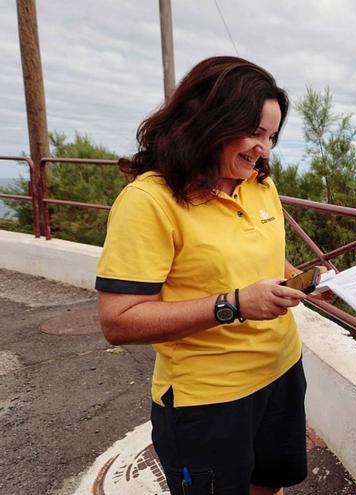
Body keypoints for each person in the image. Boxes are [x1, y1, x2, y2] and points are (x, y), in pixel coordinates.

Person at [96, 56, 310, 495]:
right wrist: (232, 304)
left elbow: (266, 261)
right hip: (210, 398)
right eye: (254, 134)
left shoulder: (259, 183)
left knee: (271, 483)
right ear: (207, 121)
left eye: (271, 136)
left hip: (282, 370)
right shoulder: (149, 201)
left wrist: (307, 278)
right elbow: (118, 321)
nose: (264, 151)